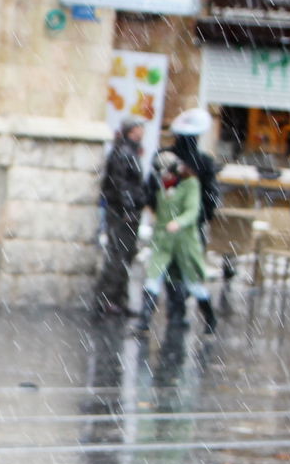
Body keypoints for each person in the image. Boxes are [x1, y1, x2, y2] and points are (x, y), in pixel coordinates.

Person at [137, 151, 216, 334]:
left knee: (193, 284)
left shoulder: (190, 184)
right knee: (153, 278)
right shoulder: (159, 185)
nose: (165, 177)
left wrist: (178, 222)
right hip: (163, 241)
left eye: (167, 173)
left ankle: (210, 319)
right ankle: (144, 321)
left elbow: (192, 211)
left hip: (184, 243)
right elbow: (153, 204)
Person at [155, 109, 219, 323]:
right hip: (191, 225)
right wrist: (203, 216)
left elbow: (154, 190)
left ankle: (177, 306)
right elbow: (211, 196)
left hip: (168, 224)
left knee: (170, 265)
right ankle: (195, 310)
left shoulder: (164, 157)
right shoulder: (204, 162)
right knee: (189, 266)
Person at [93, 116, 147, 316]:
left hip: (127, 211)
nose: (143, 132)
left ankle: (117, 297)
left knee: (126, 254)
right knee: (118, 254)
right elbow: (120, 183)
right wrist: (127, 208)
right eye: (140, 128)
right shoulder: (123, 152)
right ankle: (107, 298)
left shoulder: (130, 151)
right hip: (121, 212)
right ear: (132, 131)